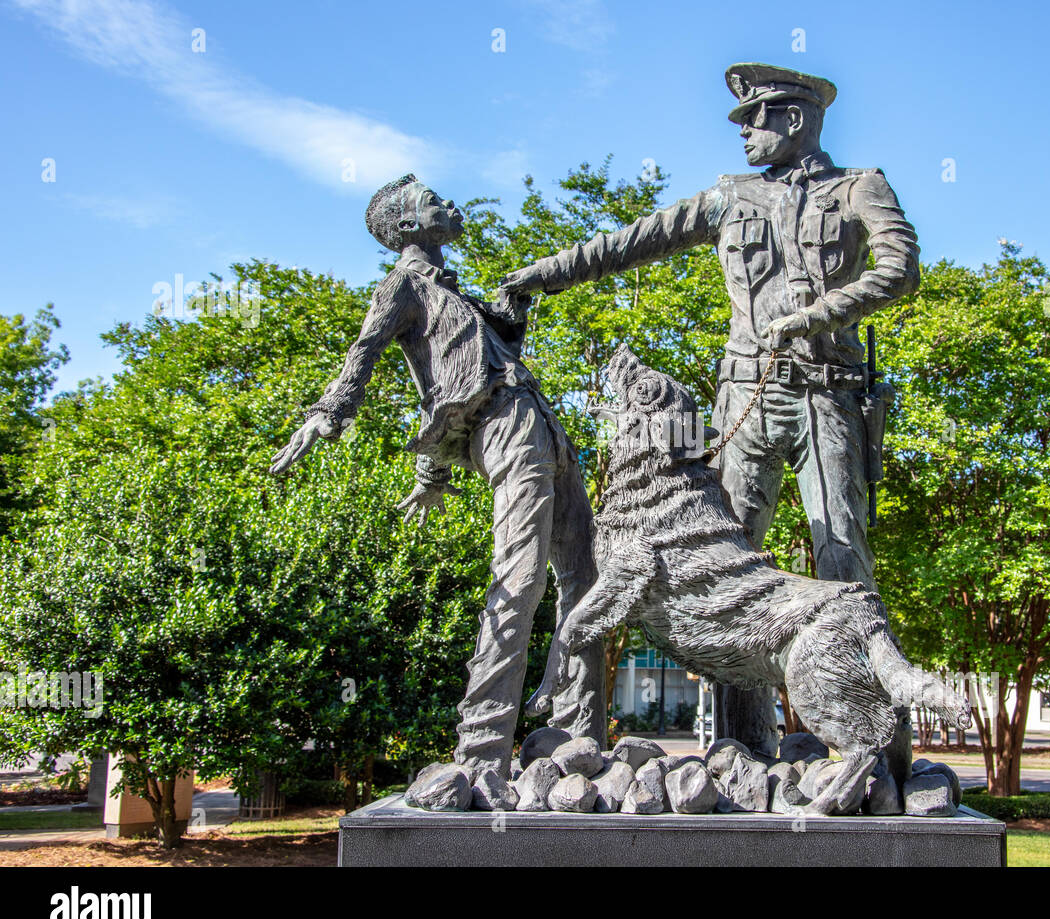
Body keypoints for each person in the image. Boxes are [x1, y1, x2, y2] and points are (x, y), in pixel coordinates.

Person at [498, 63, 920, 755]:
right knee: (729, 566)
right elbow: (634, 240)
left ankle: (879, 756)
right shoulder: (731, 196)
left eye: (756, 119)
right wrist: (541, 275)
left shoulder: (859, 187)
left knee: (843, 554)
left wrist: (817, 315)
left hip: (827, 394)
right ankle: (743, 748)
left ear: (794, 118)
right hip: (743, 398)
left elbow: (899, 268)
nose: (745, 133)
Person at [270, 174, 605, 780]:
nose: (449, 204)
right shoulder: (402, 285)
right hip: (503, 423)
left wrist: (512, 311)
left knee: (587, 574)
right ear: (407, 226)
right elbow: (366, 352)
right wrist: (329, 412)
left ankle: (578, 739)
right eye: (433, 202)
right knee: (522, 574)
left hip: (542, 424)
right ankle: (481, 752)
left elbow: (465, 366)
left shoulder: (456, 294)